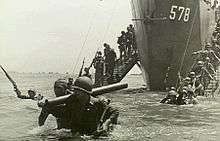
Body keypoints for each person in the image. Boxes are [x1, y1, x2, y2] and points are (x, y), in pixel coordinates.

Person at [39, 76, 119, 136]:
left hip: (93, 134)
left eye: (78, 91)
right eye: (74, 90)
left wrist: (106, 123)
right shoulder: (72, 101)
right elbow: (60, 110)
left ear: (85, 92)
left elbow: (115, 111)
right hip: (78, 133)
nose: (75, 92)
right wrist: (46, 106)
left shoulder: (97, 103)